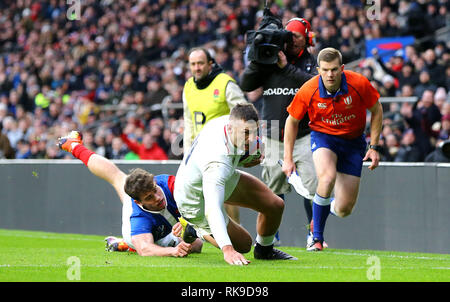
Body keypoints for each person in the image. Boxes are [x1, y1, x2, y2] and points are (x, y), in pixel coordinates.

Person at [282, 48, 383, 251]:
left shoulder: (359, 83)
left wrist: (373, 146)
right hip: (324, 138)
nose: (330, 74)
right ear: (318, 69)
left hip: (354, 143)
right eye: (326, 70)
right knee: (326, 179)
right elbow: (291, 121)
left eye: (334, 70)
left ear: (342, 68)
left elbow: (377, 109)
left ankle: (322, 207)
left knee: (344, 209)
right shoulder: (308, 89)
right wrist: (287, 158)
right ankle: (316, 237)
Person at [174, 103, 297, 265]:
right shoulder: (217, 162)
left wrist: (250, 157)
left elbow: (241, 154)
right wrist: (227, 249)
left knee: (275, 205)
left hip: (212, 177)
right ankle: (193, 229)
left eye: (254, 132)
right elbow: (213, 208)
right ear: (231, 128)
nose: (252, 139)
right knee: (244, 244)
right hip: (194, 199)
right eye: (246, 133)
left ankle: (264, 250)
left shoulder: (230, 123)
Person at [57, 131, 203, 257]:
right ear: (138, 202)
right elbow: (145, 250)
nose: (158, 198)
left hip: (167, 221)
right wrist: (172, 251)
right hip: (148, 236)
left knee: (117, 176)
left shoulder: (169, 183)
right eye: (149, 198)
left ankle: (73, 145)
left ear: (154, 181)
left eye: (155, 190)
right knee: (195, 244)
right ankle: (128, 244)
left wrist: (187, 221)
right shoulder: (137, 215)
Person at [240, 17, 318, 246]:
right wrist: (257, 58)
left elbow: (315, 87)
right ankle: (270, 236)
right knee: (272, 189)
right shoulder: (269, 60)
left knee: (312, 186)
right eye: (290, 36)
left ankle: (315, 234)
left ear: (307, 38)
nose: (293, 41)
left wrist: (287, 68)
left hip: (303, 134)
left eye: (298, 37)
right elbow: (246, 84)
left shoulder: (311, 62)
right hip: (274, 135)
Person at [183, 47, 248, 224]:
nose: (197, 68)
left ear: (210, 64)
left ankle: (236, 232)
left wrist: (243, 142)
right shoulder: (188, 86)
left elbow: (244, 112)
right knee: (200, 193)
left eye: (200, 63)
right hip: (199, 149)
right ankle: (205, 234)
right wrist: (187, 152)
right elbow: (188, 121)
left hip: (222, 147)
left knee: (224, 192)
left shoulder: (225, 83)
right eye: (193, 64)